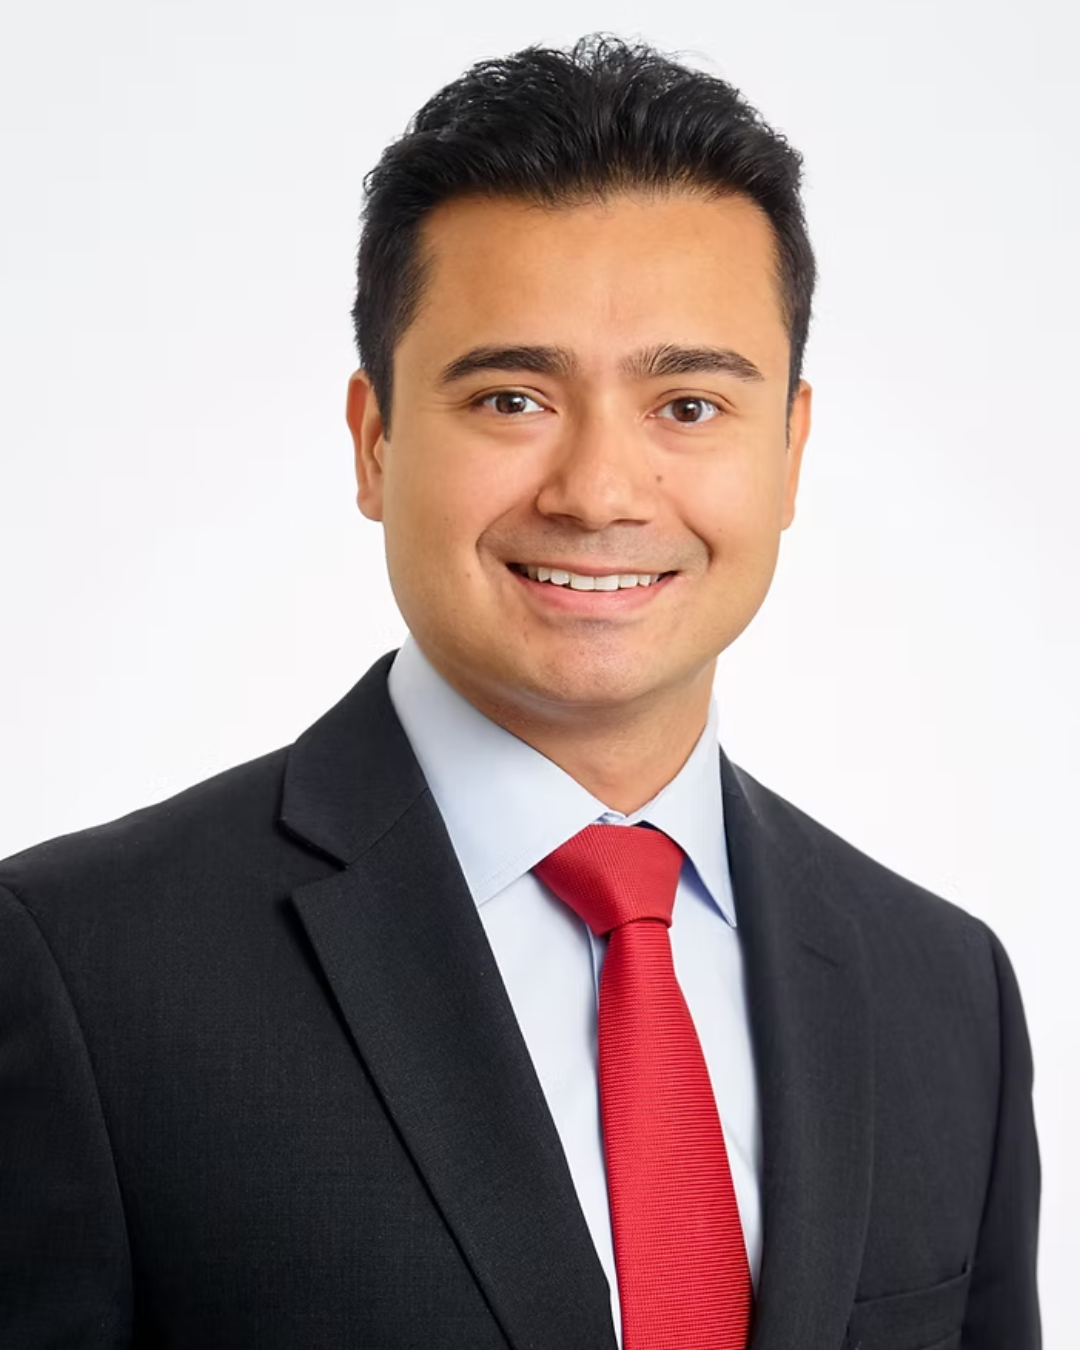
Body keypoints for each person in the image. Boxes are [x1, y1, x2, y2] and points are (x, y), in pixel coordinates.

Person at [0, 35, 1040, 1350]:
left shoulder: (945, 991)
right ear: (375, 441)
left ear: (791, 449)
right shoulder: (78, 969)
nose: (599, 490)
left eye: (690, 405)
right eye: (512, 395)